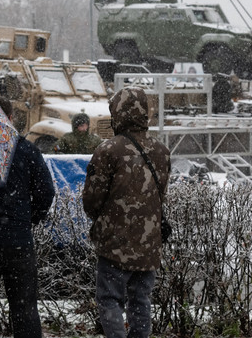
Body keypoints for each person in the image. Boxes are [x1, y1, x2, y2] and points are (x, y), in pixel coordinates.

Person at [82, 86, 171, 338]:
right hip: (149, 241)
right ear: (145, 113)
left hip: (115, 242)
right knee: (141, 300)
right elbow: (160, 195)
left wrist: (102, 220)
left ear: (116, 113)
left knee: (110, 299)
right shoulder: (161, 151)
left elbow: (92, 199)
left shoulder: (108, 150)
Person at [0, 96, 56, 338]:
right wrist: (29, 218)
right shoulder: (26, 149)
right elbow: (46, 190)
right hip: (17, 240)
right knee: (24, 308)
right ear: (11, 118)